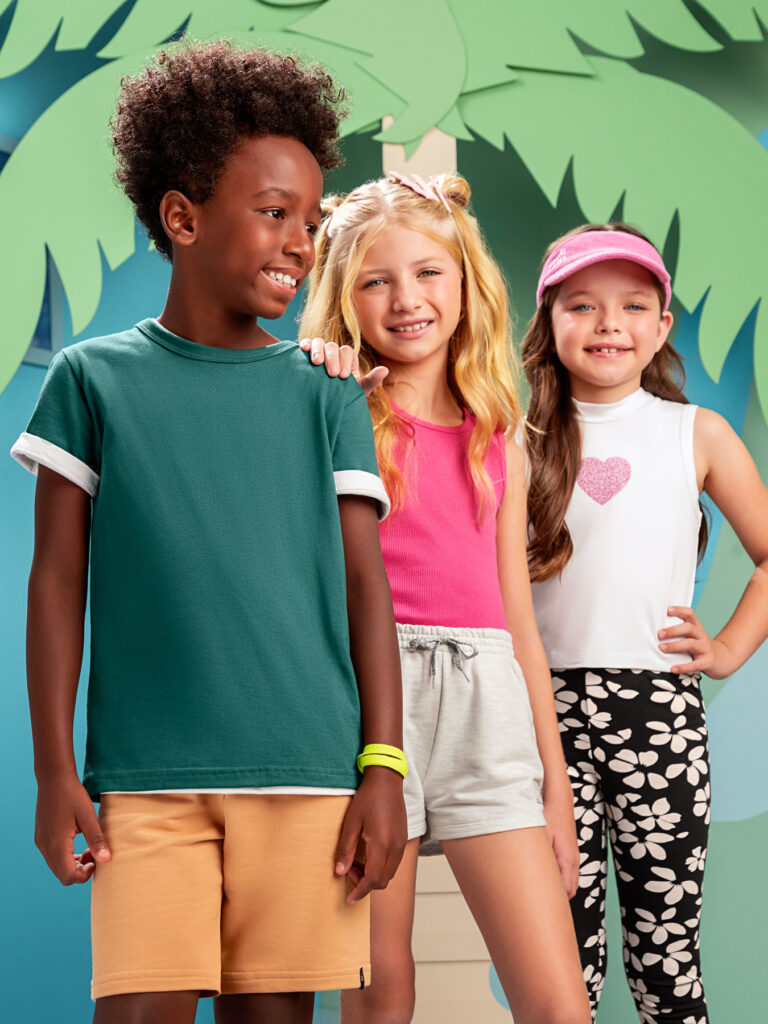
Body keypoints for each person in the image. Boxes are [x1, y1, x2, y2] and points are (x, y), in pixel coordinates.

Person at [11, 40, 407, 1024]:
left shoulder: (326, 392)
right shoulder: (92, 380)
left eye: (310, 221)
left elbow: (368, 589)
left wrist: (383, 769)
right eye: (274, 212)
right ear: (183, 218)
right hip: (146, 783)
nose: (300, 243)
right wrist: (53, 769)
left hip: (307, 776)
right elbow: (55, 581)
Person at [300, 171, 591, 1024]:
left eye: (428, 272)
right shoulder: (331, 410)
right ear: (344, 298)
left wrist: (556, 789)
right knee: (381, 988)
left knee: (559, 1004)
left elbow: (519, 626)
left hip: (486, 703)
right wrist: (318, 379)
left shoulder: (499, 439)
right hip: (366, 704)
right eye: (375, 281)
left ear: (466, 282)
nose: (407, 300)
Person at [523, 223, 768, 1023]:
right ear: (548, 322)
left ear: (662, 327)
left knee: (667, 962)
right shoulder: (514, 442)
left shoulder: (695, 433)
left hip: (658, 716)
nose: (608, 324)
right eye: (581, 306)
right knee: (562, 965)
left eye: (632, 306)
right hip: (540, 722)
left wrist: (726, 649)